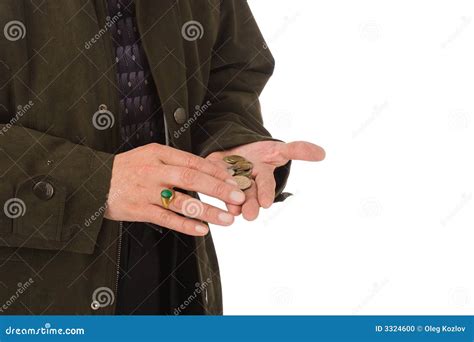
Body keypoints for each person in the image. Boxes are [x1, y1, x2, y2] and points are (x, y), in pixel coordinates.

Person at [0, 0, 325, 314]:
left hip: (172, 271)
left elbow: (227, 75)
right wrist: (95, 183)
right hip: (32, 293)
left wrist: (230, 142)